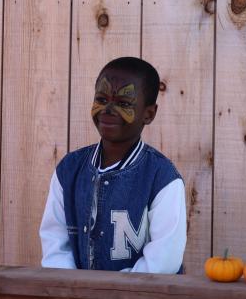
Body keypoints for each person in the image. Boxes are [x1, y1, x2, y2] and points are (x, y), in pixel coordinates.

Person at [39, 57, 186, 273]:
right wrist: (73, 288)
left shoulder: (162, 178)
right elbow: (55, 242)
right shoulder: (69, 170)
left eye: (124, 103)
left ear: (149, 113)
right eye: (102, 98)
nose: (108, 109)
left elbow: (164, 261)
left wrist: (109, 292)